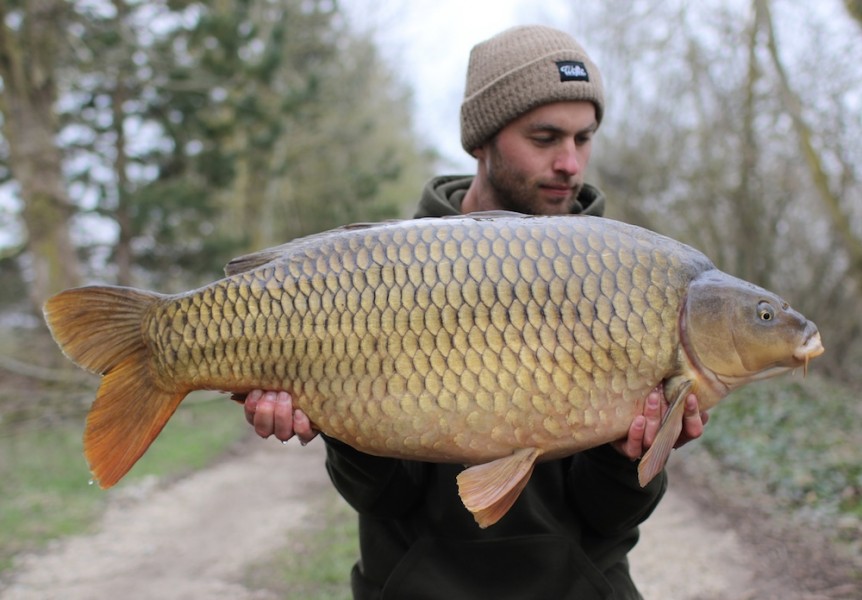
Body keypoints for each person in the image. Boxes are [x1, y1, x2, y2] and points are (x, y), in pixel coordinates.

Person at [243, 25, 708, 599]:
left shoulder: (629, 280)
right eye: (544, 137)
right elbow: (385, 500)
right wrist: (338, 423)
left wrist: (627, 457)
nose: (570, 162)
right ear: (481, 140)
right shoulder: (376, 275)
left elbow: (608, 518)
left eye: (584, 138)